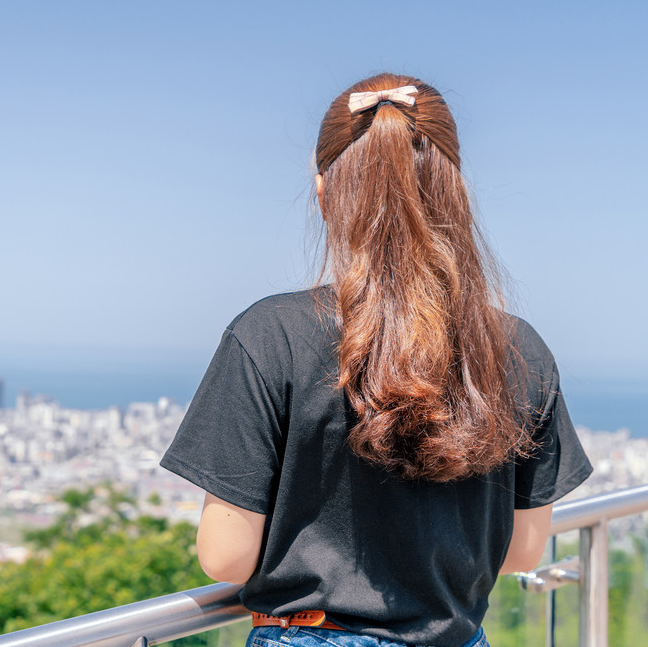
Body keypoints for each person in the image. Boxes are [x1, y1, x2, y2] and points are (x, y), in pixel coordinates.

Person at [160, 73, 593, 647]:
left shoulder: (270, 335)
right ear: (454, 192)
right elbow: (522, 551)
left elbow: (225, 557)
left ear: (323, 194)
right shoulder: (517, 348)